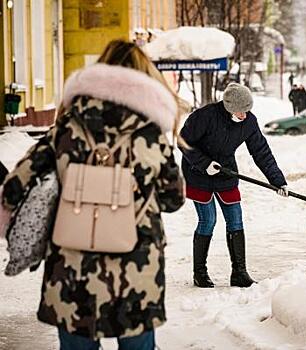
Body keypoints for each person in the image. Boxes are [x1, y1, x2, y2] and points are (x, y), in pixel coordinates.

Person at [1, 40, 185, 350]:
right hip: (136, 271)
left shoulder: (67, 127)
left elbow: (14, 186)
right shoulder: (151, 134)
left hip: (72, 269)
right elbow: (173, 198)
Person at [179, 83, 288, 289]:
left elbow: (261, 151)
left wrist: (277, 180)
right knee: (208, 221)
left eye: (247, 110)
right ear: (228, 107)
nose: (244, 115)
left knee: (235, 220)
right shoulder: (205, 116)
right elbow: (183, 141)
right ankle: (199, 273)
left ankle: (239, 273)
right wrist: (204, 164)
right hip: (198, 173)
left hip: (225, 172)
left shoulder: (248, 122)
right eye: (240, 111)